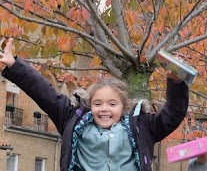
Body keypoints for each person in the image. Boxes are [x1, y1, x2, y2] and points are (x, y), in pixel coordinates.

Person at [0, 37, 190, 171]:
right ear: (90, 105)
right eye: (98, 103)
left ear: (124, 107)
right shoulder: (72, 121)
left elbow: (172, 115)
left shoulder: (142, 126)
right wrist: (14, 66)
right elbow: (45, 94)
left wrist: (176, 82)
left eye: (112, 104)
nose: (104, 109)